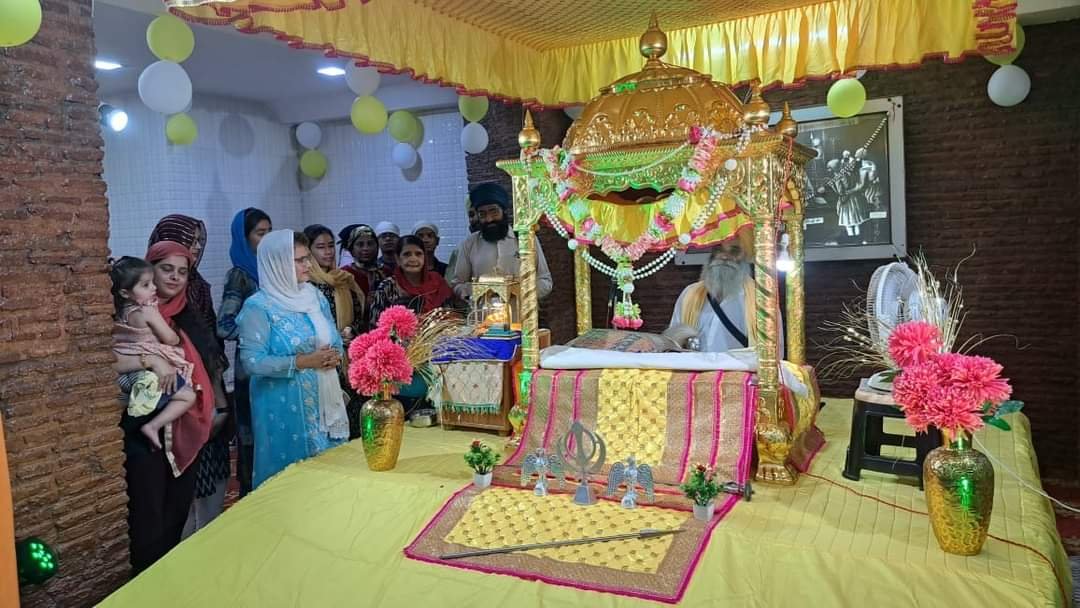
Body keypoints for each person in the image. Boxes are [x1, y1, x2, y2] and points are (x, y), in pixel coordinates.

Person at [112, 241, 222, 574]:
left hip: (187, 423)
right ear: (149, 269)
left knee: (176, 510)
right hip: (143, 427)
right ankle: (147, 583)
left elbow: (209, 364)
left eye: (183, 271)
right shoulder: (121, 311)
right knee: (148, 514)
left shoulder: (188, 312)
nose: (174, 278)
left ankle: (168, 580)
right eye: (165, 269)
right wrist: (151, 360)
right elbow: (105, 358)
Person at [236, 230, 348, 488]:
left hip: (326, 400)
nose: (309, 265)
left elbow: (333, 338)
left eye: (307, 257)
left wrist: (335, 356)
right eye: (299, 260)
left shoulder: (314, 296)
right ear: (277, 264)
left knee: (333, 478)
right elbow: (252, 362)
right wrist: (303, 362)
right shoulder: (259, 307)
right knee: (292, 482)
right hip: (283, 408)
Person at [147, 214, 231, 537]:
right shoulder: (141, 301)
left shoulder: (198, 289)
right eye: (189, 241)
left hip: (206, 393)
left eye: (198, 242)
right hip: (164, 405)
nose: (195, 248)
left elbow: (209, 346)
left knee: (207, 476)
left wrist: (219, 401)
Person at [110, 257, 197, 451]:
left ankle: (136, 402)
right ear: (125, 292)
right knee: (188, 396)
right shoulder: (147, 311)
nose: (153, 288)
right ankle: (152, 425)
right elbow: (170, 339)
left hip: (126, 370)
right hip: (148, 368)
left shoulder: (118, 312)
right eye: (146, 285)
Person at [218, 207, 271, 497]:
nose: (266, 239)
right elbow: (224, 326)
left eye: (269, 232)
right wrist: (266, 333)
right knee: (252, 436)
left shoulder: (271, 271)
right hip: (250, 369)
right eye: (259, 233)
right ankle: (252, 499)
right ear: (244, 237)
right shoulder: (239, 275)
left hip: (274, 364)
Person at [304, 224, 367, 438]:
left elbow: (360, 314)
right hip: (324, 359)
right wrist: (331, 335)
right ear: (308, 252)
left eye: (331, 245)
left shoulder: (343, 280)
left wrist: (351, 329)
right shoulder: (305, 286)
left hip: (350, 357)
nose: (328, 252)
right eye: (320, 247)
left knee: (356, 413)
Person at [451, 182, 552, 300]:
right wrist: (476, 291)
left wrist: (519, 292)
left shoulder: (525, 239)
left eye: (494, 212)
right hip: (484, 315)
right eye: (482, 214)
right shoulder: (469, 243)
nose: (489, 219)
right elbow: (457, 284)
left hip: (521, 315)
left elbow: (545, 281)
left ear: (504, 211)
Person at [668, 239, 757, 353]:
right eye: (718, 250)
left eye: (734, 251)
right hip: (696, 368)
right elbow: (673, 343)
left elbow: (773, 352)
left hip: (739, 370)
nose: (724, 257)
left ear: (746, 257)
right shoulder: (690, 293)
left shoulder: (760, 299)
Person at [369, 235, 454, 327]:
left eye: (418, 254)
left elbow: (451, 318)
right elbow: (376, 326)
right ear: (398, 259)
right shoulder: (387, 287)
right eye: (407, 254)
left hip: (437, 338)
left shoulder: (437, 282)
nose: (413, 259)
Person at [340, 224, 384, 295]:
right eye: (360, 244)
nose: (366, 248)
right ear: (351, 249)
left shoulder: (386, 272)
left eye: (370, 244)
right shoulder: (343, 275)